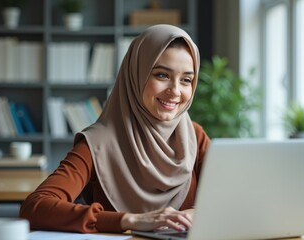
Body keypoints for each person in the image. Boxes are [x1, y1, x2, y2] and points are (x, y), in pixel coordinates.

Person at [19, 24, 211, 233]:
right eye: (162, 75)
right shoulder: (97, 142)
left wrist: (198, 212)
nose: (175, 91)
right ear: (135, 75)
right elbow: (35, 207)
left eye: (186, 80)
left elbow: (236, 197)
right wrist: (130, 220)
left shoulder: (194, 136)